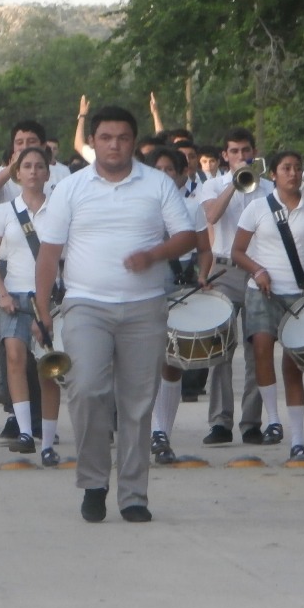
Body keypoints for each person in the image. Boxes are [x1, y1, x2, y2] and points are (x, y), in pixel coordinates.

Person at [34, 105, 195, 524]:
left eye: (123, 138)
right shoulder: (71, 188)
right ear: (92, 141)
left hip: (145, 305)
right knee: (87, 388)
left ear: (134, 142)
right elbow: (49, 253)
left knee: (138, 403)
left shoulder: (157, 184)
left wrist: (153, 255)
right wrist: (42, 310)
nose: (114, 146)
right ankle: (93, 482)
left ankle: (133, 495)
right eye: (105, 138)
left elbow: (186, 236)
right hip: (86, 304)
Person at [231, 149, 304, 460]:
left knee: (294, 365)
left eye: (296, 168)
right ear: (273, 175)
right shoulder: (257, 208)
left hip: (300, 293)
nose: (293, 173)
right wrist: (257, 270)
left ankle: (298, 439)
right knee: (262, 350)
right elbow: (237, 251)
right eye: (286, 168)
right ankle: (273, 420)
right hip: (262, 291)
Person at [0, 146, 62, 465]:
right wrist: (1, 293)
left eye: (39, 166)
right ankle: (26, 431)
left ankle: (48, 441)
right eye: (26, 166)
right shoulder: (3, 211)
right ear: (17, 172)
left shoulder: (59, 209)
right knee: (14, 357)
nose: (33, 171)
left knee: (48, 369)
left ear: (47, 173)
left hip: (50, 298)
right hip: (14, 295)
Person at [195, 128, 272, 445]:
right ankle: (220, 422)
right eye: (235, 151)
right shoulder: (213, 185)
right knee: (220, 349)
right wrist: (235, 182)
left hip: (258, 270)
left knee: (258, 349)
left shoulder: (268, 188)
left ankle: (252, 422)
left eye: (246, 151)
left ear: (253, 152)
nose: (241, 156)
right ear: (225, 156)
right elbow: (212, 216)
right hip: (224, 269)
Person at [145, 146, 212, 462]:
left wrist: (204, 275)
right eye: (157, 169)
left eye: (169, 169)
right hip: (147, 286)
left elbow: (204, 250)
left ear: (181, 173)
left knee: (172, 362)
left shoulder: (192, 207)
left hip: (181, 284)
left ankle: (163, 435)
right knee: (146, 362)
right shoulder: (137, 206)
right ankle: (150, 431)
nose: (163, 175)